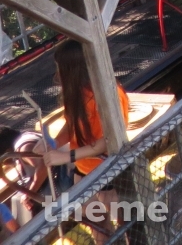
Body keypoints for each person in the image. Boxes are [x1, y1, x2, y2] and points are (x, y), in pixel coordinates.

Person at [44, 40, 130, 244]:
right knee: (98, 228)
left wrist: (65, 156)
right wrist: (54, 143)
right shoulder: (76, 93)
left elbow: (106, 143)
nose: (58, 76)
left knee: (126, 224)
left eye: (61, 69)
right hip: (83, 172)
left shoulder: (107, 95)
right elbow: (72, 124)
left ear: (73, 70)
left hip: (109, 169)